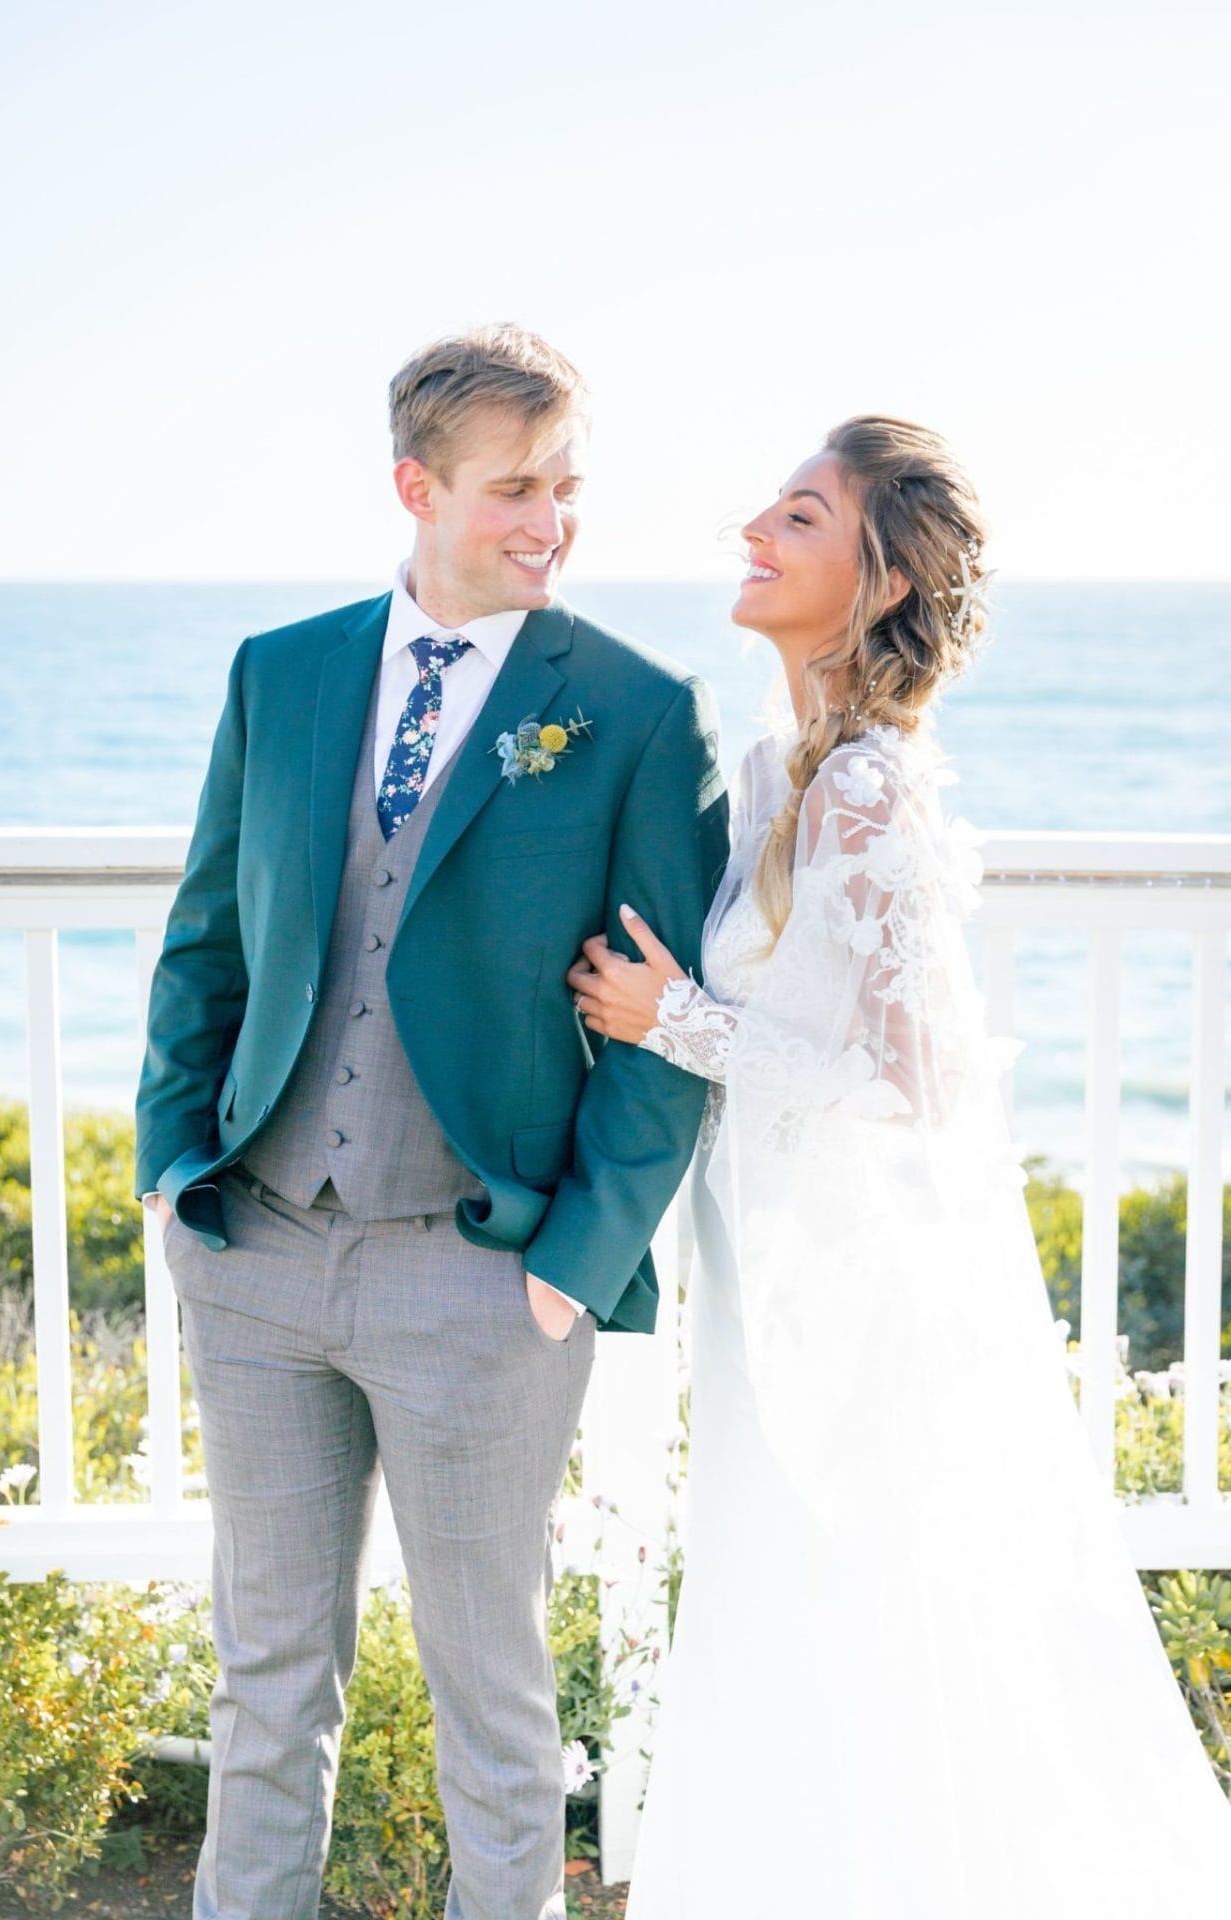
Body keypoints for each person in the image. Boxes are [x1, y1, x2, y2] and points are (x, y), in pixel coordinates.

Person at [569, 414, 1231, 1915]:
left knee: (858, 1615)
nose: (755, 527)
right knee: (788, 1609)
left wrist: (672, 1017)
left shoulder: (866, 785)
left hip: (855, 1291)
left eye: (800, 518)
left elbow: (909, 1082)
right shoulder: (776, 764)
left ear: (877, 581)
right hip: (772, 1265)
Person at [134, 323, 729, 1920]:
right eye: (515, 489)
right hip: (251, 1251)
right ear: (418, 487)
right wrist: (171, 1176)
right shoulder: (283, 672)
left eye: (569, 488)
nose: (552, 522)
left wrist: (572, 1261)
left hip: (480, 1274)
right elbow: (205, 941)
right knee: (267, 1680)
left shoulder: (635, 709)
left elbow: (670, 1027)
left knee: (492, 1695)